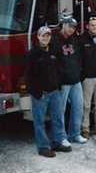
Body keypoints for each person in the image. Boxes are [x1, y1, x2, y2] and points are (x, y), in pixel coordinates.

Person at [26, 26, 70, 157]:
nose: (46, 38)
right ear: (38, 37)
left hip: (55, 91)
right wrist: (36, 92)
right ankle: (43, 147)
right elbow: (28, 76)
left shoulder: (54, 51)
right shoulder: (32, 54)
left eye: (48, 35)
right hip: (41, 94)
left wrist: (59, 85)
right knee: (39, 121)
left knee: (58, 118)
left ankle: (57, 141)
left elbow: (59, 69)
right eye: (43, 35)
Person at [53, 17, 87, 145]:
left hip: (75, 80)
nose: (71, 29)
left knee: (78, 107)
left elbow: (79, 57)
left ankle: (75, 134)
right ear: (63, 25)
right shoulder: (55, 40)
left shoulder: (75, 39)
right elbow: (53, 62)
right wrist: (58, 80)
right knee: (59, 110)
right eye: (69, 26)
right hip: (63, 82)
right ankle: (61, 137)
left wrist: (79, 72)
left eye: (73, 27)